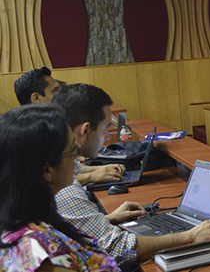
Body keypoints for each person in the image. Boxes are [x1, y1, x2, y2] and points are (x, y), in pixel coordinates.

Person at [52, 84, 210, 266]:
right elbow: (118, 249)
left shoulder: (61, 166)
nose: (107, 136)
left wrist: (108, 219)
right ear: (86, 130)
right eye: (106, 127)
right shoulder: (65, 188)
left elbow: (69, 230)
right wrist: (190, 236)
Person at [0, 104, 120, 271]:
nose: (79, 151)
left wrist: (111, 218)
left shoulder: (25, 217)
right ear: (47, 170)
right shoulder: (37, 251)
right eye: (72, 149)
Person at [14, 67, 126, 186]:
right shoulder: (29, 134)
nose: (61, 95)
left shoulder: (46, 126)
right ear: (36, 98)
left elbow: (68, 168)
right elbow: (44, 184)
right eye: (55, 91)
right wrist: (91, 176)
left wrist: (100, 169)